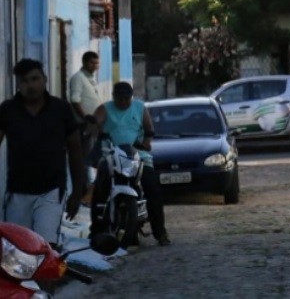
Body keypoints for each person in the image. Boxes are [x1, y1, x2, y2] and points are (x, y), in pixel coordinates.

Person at [0, 58, 84, 248]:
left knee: (45, 249)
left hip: (51, 191)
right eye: (24, 81)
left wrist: (77, 192)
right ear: (18, 84)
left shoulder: (61, 109)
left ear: (44, 79)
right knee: (18, 250)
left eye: (34, 79)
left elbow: (75, 150)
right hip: (17, 193)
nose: (31, 86)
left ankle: (44, 279)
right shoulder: (8, 110)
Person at [90, 81, 170, 246]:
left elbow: (149, 128)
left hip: (138, 155)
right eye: (120, 99)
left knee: (152, 189)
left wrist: (147, 141)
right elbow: (95, 122)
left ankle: (160, 233)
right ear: (114, 97)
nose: (124, 102)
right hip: (112, 154)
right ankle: (96, 230)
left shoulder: (140, 108)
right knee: (99, 187)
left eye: (127, 99)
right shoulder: (105, 108)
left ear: (131, 97)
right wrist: (93, 129)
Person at [69, 51, 101, 203]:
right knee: (85, 160)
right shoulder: (78, 78)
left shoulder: (90, 79)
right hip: (84, 126)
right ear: (84, 62)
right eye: (91, 63)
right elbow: (75, 100)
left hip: (92, 125)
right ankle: (83, 193)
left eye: (96, 63)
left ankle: (88, 193)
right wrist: (85, 118)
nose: (94, 66)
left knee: (91, 159)